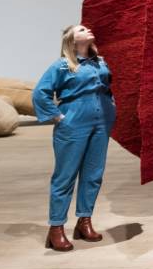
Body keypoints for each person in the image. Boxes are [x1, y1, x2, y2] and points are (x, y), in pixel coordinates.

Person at [32, 24, 115, 252]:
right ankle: (56, 228)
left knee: (93, 174)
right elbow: (40, 92)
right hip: (74, 123)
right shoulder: (62, 65)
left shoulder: (100, 61)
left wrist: (112, 106)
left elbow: (106, 87)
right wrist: (57, 116)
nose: (87, 29)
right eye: (81, 29)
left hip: (101, 123)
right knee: (65, 176)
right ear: (71, 40)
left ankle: (84, 221)